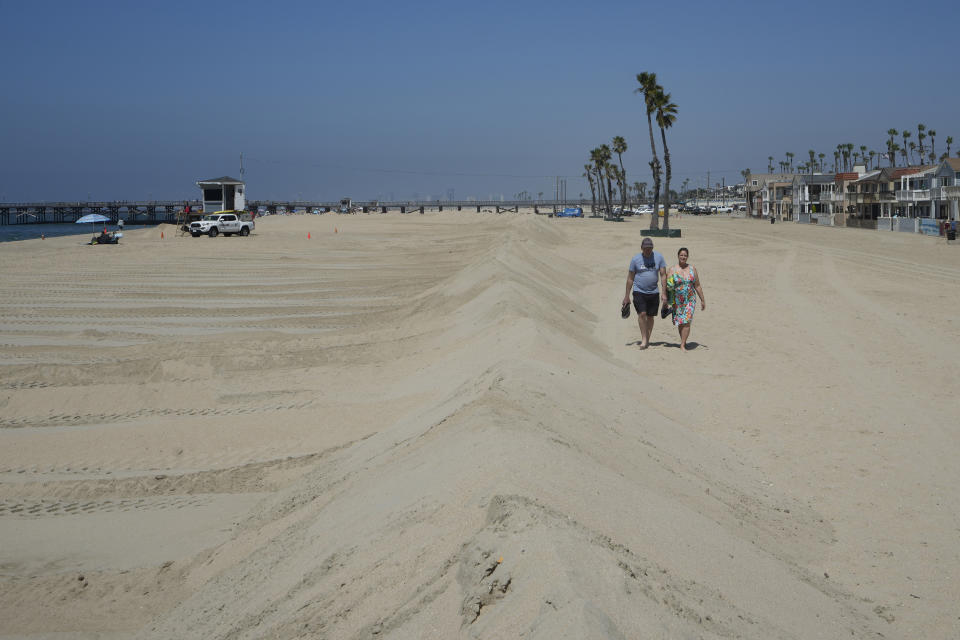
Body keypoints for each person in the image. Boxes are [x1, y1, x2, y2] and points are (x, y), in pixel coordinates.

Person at [622, 237, 667, 349]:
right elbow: (630, 278)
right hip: (639, 291)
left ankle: (647, 338)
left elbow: (663, 275)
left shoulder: (659, 257)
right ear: (642, 248)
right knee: (642, 314)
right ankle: (644, 339)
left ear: (652, 247)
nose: (648, 250)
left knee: (651, 317)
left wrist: (664, 293)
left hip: (654, 292)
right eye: (646, 248)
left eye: (650, 248)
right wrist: (626, 296)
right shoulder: (635, 259)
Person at [666, 247, 706, 352]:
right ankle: (683, 340)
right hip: (677, 300)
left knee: (687, 321)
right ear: (678, 256)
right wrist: (669, 302)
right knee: (681, 322)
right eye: (681, 255)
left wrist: (702, 299)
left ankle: (682, 344)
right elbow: (669, 287)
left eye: (685, 255)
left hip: (690, 299)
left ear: (687, 257)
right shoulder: (672, 269)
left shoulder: (693, 269)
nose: (683, 257)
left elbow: (697, 285)